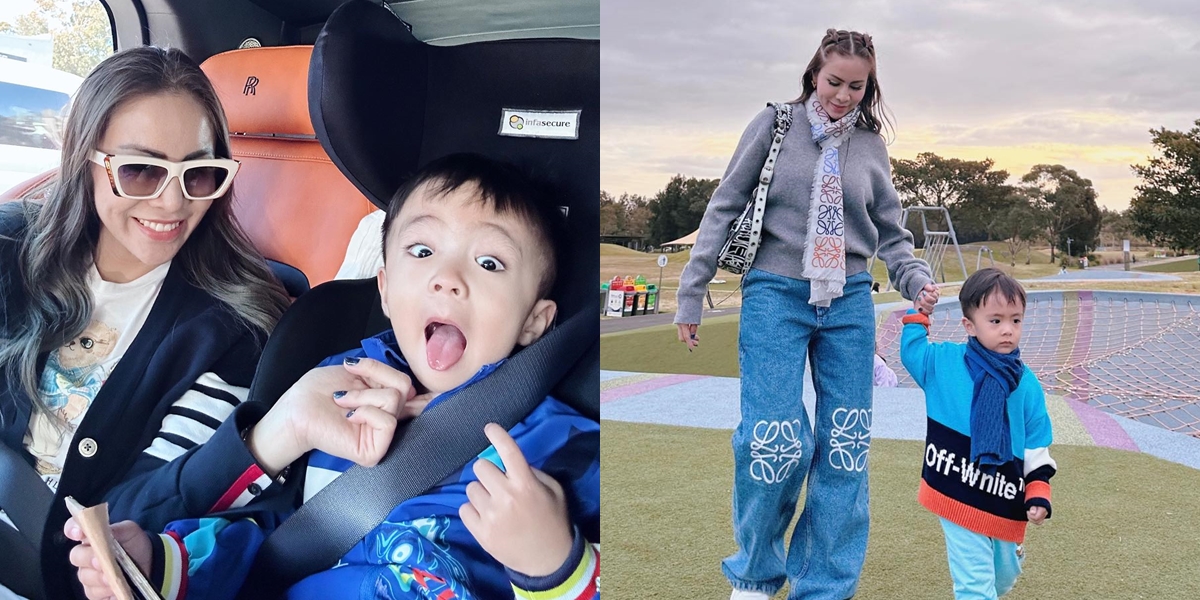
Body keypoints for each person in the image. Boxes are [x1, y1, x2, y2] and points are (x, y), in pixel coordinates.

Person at [66, 154, 600, 600]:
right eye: (423, 251)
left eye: (489, 263)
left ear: (535, 321)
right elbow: (282, 537)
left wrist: (558, 565)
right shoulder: (340, 390)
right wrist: (163, 561)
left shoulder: (565, 444)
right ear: (386, 290)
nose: (447, 279)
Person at [0, 46, 291, 598]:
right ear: (85, 159)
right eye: (139, 170)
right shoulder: (11, 247)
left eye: (199, 175)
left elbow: (148, 506)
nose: (171, 203)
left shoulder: (233, 329)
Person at [674, 29, 937, 600]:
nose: (843, 95)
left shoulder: (870, 146)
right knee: (772, 442)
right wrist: (691, 292)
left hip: (849, 300)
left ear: (870, 87)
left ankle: (823, 587)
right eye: (834, 81)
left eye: (856, 86)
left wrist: (915, 278)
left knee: (846, 447)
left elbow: (891, 234)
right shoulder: (775, 124)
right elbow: (724, 205)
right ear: (814, 74)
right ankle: (754, 575)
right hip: (774, 293)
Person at [899, 268, 1056, 599]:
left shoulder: (1026, 384)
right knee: (974, 584)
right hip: (957, 491)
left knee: (1002, 578)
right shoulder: (944, 363)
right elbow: (913, 353)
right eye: (995, 321)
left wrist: (1038, 489)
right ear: (969, 325)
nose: (1007, 330)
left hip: (1004, 496)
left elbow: (1037, 440)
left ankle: (1008, 559)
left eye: (1015, 320)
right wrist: (921, 313)